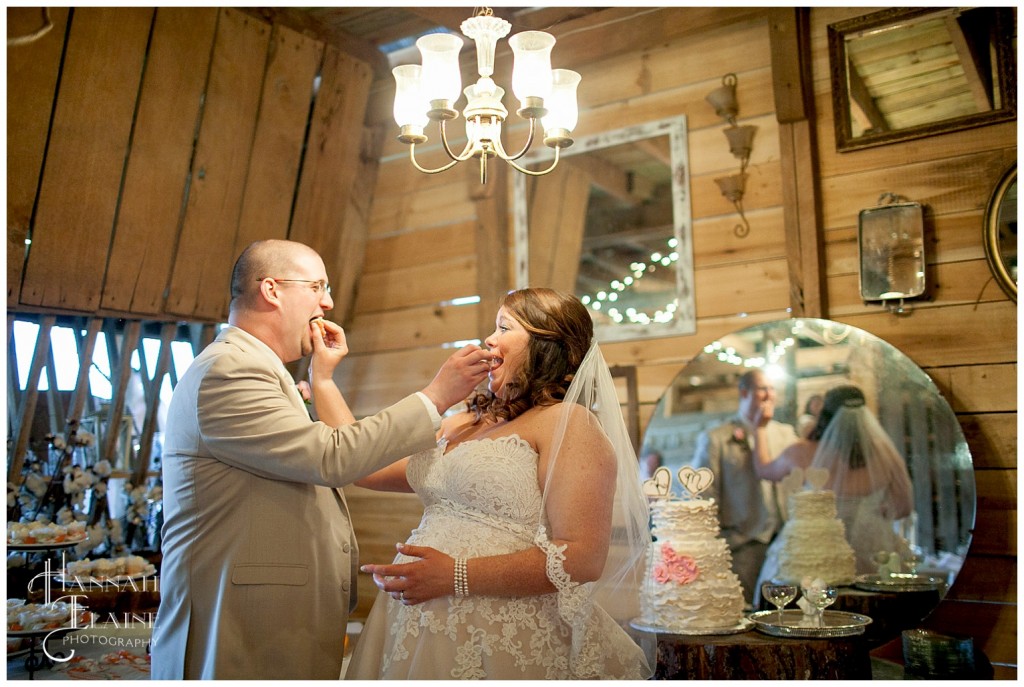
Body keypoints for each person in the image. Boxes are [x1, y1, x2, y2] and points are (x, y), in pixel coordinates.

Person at [150, 239, 492, 680]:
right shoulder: (228, 371)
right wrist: (435, 397)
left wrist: (322, 379)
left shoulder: (256, 367)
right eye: (317, 286)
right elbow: (331, 457)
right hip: (241, 620)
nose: (328, 302)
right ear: (272, 290)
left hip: (272, 617)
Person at [344, 288, 654, 680]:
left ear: (546, 345)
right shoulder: (463, 422)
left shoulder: (568, 422)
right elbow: (359, 463)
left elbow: (583, 557)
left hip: (501, 634)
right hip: (412, 627)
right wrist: (322, 376)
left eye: (504, 327)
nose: (489, 340)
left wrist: (454, 575)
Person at [752, 384, 914, 580]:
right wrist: (873, 511)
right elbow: (904, 507)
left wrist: (759, 429)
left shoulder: (802, 452)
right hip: (874, 550)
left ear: (825, 415)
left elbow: (764, 470)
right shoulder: (885, 453)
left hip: (815, 553)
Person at [691, 369, 799, 608]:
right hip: (743, 541)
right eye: (763, 389)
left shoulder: (786, 434)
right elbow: (705, 495)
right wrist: (714, 543)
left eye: (773, 389)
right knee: (746, 610)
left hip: (784, 539)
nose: (769, 395)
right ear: (744, 393)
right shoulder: (716, 438)